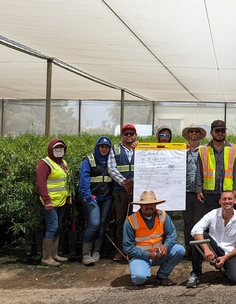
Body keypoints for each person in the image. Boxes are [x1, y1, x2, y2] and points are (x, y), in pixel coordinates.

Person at [188, 191, 236, 288]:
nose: (227, 201)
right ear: (220, 201)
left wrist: (225, 258)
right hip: (214, 248)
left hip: (231, 252)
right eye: (224, 199)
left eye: (230, 199)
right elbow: (195, 230)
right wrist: (206, 249)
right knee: (198, 237)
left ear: (235, 201)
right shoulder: (213, 214)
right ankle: (195, 274)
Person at [123, 190, 184, 286]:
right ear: (140, 206)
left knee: (179, 250)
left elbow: (172, 235)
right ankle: (142, 271)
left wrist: (165, 246)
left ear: (156, 204)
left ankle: (162, 276)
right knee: (139, 279)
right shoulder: (130, 221)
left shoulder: (162, 215)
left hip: (159, 253)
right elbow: (128, 247)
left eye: (152, 204)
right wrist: (148, 255)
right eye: (146, 204)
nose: (149, 207)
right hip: (140, 256)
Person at [35, 138, 71, 267]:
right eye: (56, 148)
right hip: (50, 202)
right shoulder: (44, 164)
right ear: (51, 149)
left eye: (61, 148)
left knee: (57, 227)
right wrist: (46, 201)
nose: (59, 150)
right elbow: (41, 183)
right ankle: (46, 258)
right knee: (52, 227)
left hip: (60, 201)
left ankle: (54, 255)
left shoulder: (62, 162)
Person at [79, 136, 114, 265]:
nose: (104, 149)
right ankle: (86, 254)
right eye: (102, 146)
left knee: (102, 224)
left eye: (106, 147)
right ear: (97, 147)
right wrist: (88, 197)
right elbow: (84, 180)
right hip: (92, 198)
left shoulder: (111, 160)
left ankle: (96, 251)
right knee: (94, 223)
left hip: (107, 198)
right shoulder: (89, 160)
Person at [108, 123, 138, 262]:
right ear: (122, 136)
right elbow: (111, 168)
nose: (129, 136)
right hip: (121, 192)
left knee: (136, 221)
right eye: (126, 134)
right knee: (121, 221)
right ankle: (121, 250)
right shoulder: (115, 149)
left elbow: (147, 167)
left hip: (137, 191)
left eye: (131, 133)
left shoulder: (140, 149)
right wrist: (124, 183)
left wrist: (132, 181)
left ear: (135, 135)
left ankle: (136, 250)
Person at [195, 120, 236, 212]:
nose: (220, 133)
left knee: (227, 219)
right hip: (209, 193)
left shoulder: (233, 149)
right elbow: (199, 171)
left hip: (228, 192)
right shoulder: (203, 149)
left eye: (222, 131)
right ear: (211, 132)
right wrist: (198, 189)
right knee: (212, 221)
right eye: (217, 131)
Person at [182, 124, 207, 258]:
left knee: (199, 220)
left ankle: (198, 247)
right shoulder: (181, 150)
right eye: (191, 131)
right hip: (184, 191)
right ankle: (188, 246)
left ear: (199, 135)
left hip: (199, 191)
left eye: (196, 131)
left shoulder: (204, 150)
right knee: (187, 221)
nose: (194, 133)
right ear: (188, 134)